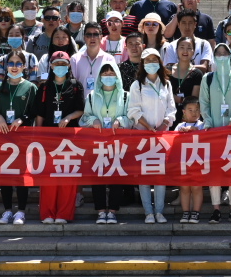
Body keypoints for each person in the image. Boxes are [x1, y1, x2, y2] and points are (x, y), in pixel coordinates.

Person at [200, 34, 231, 222]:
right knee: (215, 172)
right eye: (218, 53)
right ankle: (216, 208)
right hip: (213, 132)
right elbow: (204, 102)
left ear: (229, 56)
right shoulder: (208, 78)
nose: (221, 56)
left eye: (224, 53)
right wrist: (208, 121)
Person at [35, 52, 85, 224]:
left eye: (64, 64)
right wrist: (39, 134)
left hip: (70, 138)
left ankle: (63, 213)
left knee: (67, 177)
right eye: (57, 64)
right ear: (51, 66)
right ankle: (48, 213)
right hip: (49, 137)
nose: (60, 67)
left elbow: (81, 109)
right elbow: (40, 114)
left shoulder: (75, 85)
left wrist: (69, 117)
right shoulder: (44, 87)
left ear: (69, 65)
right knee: (48, 177)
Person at [128, 47, 176, 223]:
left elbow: (172, 109)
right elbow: (133, 110)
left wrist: (164, 123)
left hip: (161, 136)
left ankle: (159, 211)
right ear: (142, 64)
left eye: (154, 61)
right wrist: (147, 126)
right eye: (147, 61)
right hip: (143, 135)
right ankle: (148, 211)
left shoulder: (167, 84)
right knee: (144, 176)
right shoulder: (137, 85)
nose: (151, 64)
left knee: (160, 175)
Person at [81, 59, 131, 224]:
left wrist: (121, 121)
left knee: (116, 176)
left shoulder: (125, 96)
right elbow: (84, 118)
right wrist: (93, 120)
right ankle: (101, 211)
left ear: (117, 75)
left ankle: (113, 210)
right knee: (98, 176)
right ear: (99, 76)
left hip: (118, 143)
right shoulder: (91, 96)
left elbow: (131, 118)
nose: (108, 77)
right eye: (105, 74)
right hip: (98, 143)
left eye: (111, 74)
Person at [0, 52, 39, 224]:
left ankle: (21, 211)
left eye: (19, 63)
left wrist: (23, 119)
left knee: (21, 175)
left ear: (24, 67)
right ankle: (7, 210)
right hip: (3, 137)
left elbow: (35, 111)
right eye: (11, 63)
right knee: (5, 175)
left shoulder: (31, 87)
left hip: (23, 137)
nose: (14, 66)